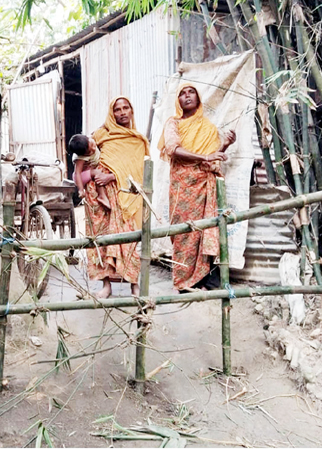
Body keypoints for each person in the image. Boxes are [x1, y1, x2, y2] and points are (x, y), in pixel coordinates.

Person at [158, 83, 236, 291]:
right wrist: (205, 156)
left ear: (198, 98)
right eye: (182, 93)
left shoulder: (208, 127)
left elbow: (211, 161)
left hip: (204, 183)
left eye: (191, 92)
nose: (187, 96)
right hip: (183, 186)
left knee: (206, 230)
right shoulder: (173, 123)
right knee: (184, 232)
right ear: (178, 101)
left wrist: (225, 146)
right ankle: (184, 281)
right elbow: (173, 149)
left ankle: (205, 280)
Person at [83, 96, 150, 298]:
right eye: (117, 109)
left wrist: (111, 175)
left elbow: (139, 170)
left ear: (131, 111)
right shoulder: (100, 135)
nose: (122, 112)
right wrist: (96, 176)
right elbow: (86, 158)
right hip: (99, 194)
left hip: (124, 194)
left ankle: (134, 285)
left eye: (125, 108)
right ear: (111, 114)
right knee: (102, 238)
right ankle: (106, 286)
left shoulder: (137, 140)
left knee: (128, 238)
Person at [68, 134, 110, 210]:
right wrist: (80, 190)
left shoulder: (91, 138)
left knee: (98, 171)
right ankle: (102, 196)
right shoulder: (80, 159)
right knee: (97, 173)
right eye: (89, 152)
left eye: (93, 145)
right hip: (80, 176)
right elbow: (77, 173)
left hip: (88, 171)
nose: (93, 149)